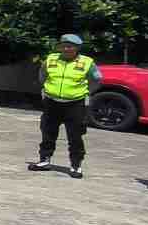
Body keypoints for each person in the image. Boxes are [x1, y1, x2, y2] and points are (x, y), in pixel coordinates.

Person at [29, 34, 99, 178]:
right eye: (64, 46)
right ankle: (44, 160)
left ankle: (76, 165)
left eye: (70, 46)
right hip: (51, 102)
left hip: (75, 104)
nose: (66, 49)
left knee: (75, 136)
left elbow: (97, 79)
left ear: (77, 48)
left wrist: (87, 92)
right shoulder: (51, 59)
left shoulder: (87, 62)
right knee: (48, 132)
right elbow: (42, 75)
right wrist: (45, 89)